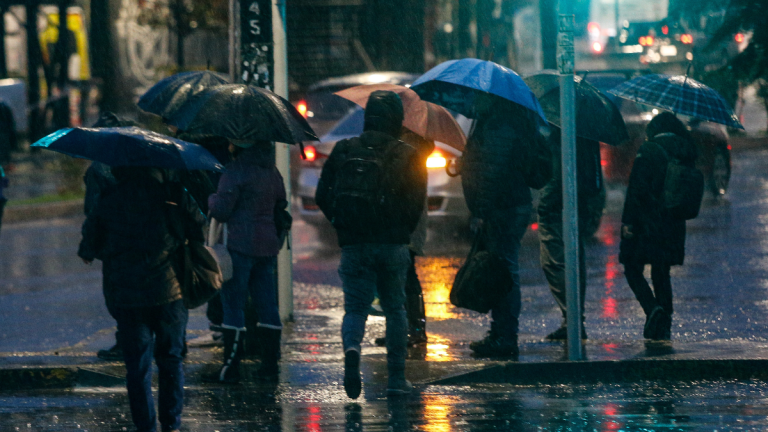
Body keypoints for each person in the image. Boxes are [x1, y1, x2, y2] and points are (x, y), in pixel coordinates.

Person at [316, 90, 426, 398]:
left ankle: (352, 350)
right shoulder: (407, 153)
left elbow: (323, 196)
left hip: (354, 243)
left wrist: (344, 226)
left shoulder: (345, 148)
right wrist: (400, 231)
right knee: (395, 308)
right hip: (392, 244)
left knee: (355, 308)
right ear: (396, 119)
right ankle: (396, 377)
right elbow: (416, 203)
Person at [78, 166, 205, 432]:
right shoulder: (171, 194)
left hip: (126, 294)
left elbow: (89, 246)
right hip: (169, 290)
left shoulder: (109, 198)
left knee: (137, 365)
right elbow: (197, 228)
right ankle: (171, 423)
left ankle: (145, 426)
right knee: (170, 359)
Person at [461, 99, 539, 358]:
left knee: (504, 270)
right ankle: (500, 333)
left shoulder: (499, 125)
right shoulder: (511, 120)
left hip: (502, 207)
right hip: (511, 203)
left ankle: (505, 337)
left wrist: (481, 211)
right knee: (502, 268)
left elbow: (491, 171)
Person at [206, 140, 287, 383]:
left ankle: (231, 367)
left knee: (233, 305)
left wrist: (211, 197)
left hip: (240, 246)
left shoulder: (235, 171)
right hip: (267, 246)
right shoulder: (272, 171)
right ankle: (270, 365)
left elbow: (220, 210)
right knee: (267, 305)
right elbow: (280, 203)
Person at [620, 112, 697, 341]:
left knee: (631, 267)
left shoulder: (650, 150)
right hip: (674, 222)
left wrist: (629, 222)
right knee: (661, 272)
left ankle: (653, 309)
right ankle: (665, 324)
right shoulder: (685, 151)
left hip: (648, 222)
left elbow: (637, 189)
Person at [537, 130, 603, 340]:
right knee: (574, 261)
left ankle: (571, 319)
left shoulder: (560, 135)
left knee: (555, 262)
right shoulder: (586, 135)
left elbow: (556, 176)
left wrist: (545, 206)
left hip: (558, 208)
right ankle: (573, 319)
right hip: (579, 204)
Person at [83, 113, 135, 362]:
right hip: (142, 239)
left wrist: (90, 246)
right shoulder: (139, 164)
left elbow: (94, 212)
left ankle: (126, 341)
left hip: (113, 243)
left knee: (117, 296)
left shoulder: (98, 169)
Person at [375, 129, 433, 348]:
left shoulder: (411, 148)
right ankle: (405, 328)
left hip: (407, 220)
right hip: (403, 218)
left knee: (406, 274)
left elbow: (406, 189)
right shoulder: (407, 144)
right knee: (399, 274)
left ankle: (415, 329)